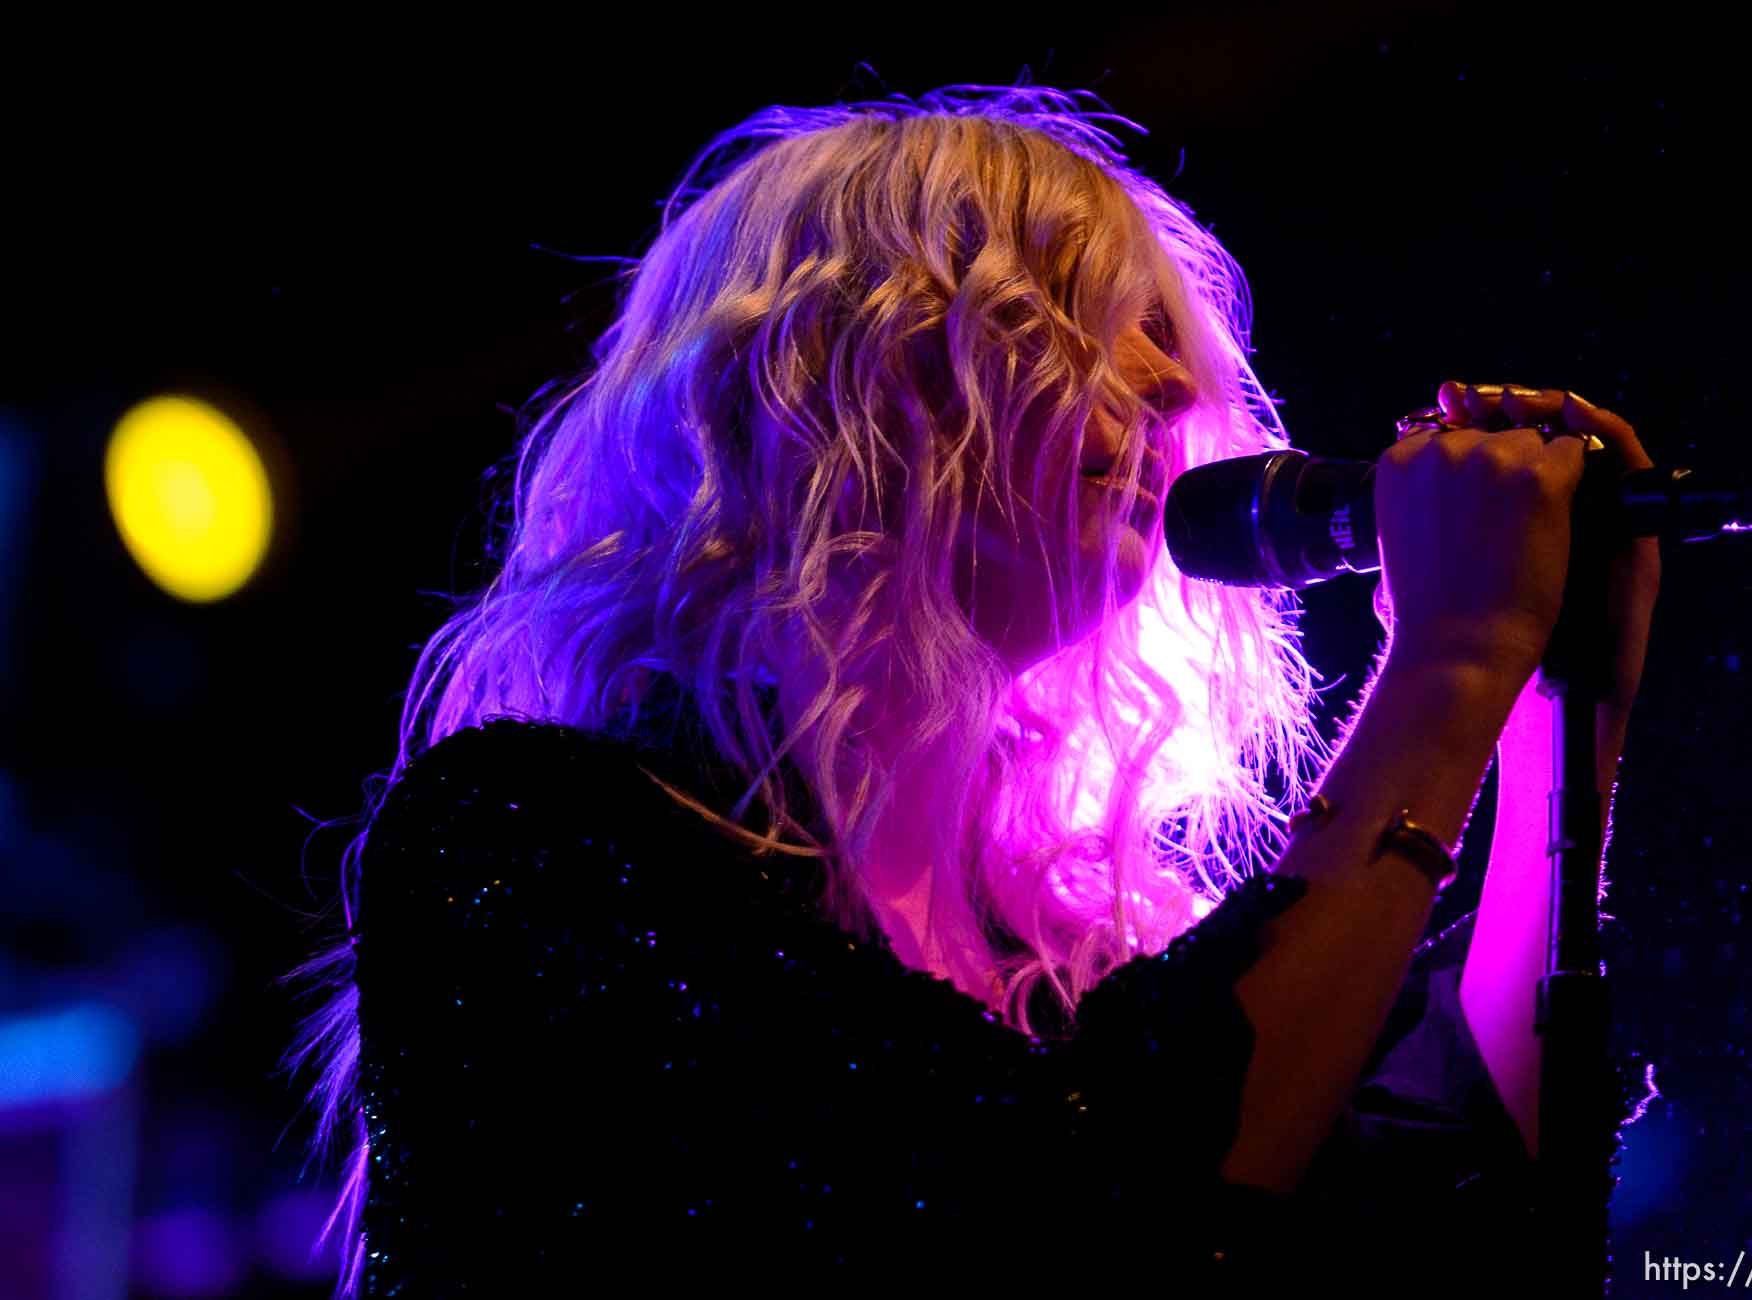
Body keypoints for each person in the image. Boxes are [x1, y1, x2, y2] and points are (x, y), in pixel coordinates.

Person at [282, 85, 1659, 1292]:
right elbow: (1090, 1225)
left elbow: (1461, 1230)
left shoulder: (1067, 967)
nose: (1175, 386)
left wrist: (1549, 712)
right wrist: (1447, 663)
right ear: (858, 377)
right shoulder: (531, 849)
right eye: (1079, 314)